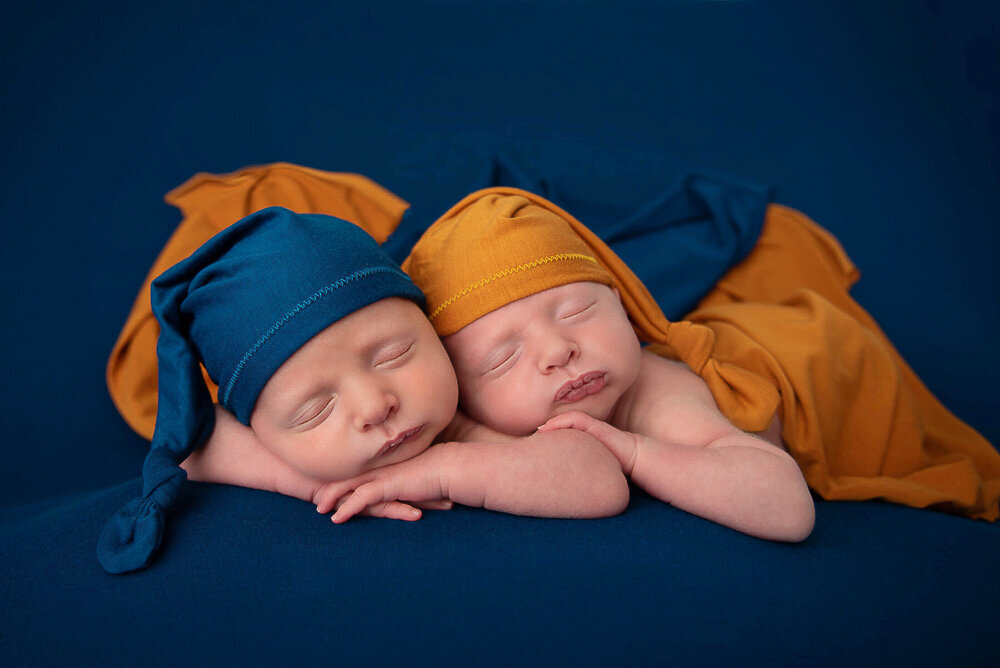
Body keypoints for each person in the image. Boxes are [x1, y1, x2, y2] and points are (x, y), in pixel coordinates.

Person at [99, 205, 628, 574]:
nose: (377, 405)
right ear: (258, 429)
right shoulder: (260, 437)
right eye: (312, 410)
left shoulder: (469, 413)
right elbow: (193, 450)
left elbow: (600, 479)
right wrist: (309, 481)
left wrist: (439, 469)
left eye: (395, 355)